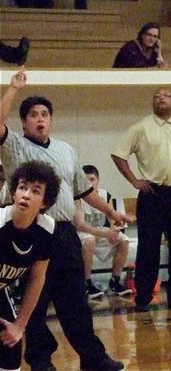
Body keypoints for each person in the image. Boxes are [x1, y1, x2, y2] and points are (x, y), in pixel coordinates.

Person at [0, 68, 127, 371]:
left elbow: (84, 191)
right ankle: (40, 360)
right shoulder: (14, 146)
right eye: (33, 114)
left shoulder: (66, 150)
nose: (40, 118)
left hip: (65, 233)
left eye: (45, 113)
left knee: (75, 300)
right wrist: (13, 88)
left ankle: (93, 357)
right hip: (30, 231)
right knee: (36, 299)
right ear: (24, 121)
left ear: (51, 120)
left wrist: (110, 211)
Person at [111, 87, 171, 312]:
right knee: (149, 246)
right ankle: (143, 297)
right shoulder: (141, 128)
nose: (160, 99)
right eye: (156, 96)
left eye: (165, 96)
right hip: (152, 193)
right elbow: (118, 154)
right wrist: (135, 181)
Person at [0, 161, 58, 371]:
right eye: (22, 187)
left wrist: (20, 326)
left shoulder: (46, 230)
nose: (26, 194)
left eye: (35, 191)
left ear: (45, 202)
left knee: (11, 345)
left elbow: (36, 278)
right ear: (13, 193)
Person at [77, 165, 132, 299]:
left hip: (99, 231)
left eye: (92, 179)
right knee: (89, 240)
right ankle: (86, 283)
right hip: (81, 232)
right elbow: (80, 225)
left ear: (98, 180)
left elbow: (112, 219)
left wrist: (115, 229)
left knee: (123, 240)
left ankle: (115, 281)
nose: (90, 183)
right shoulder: (77, 196)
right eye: (87, 180)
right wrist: (103, 234)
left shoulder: (104, 194)